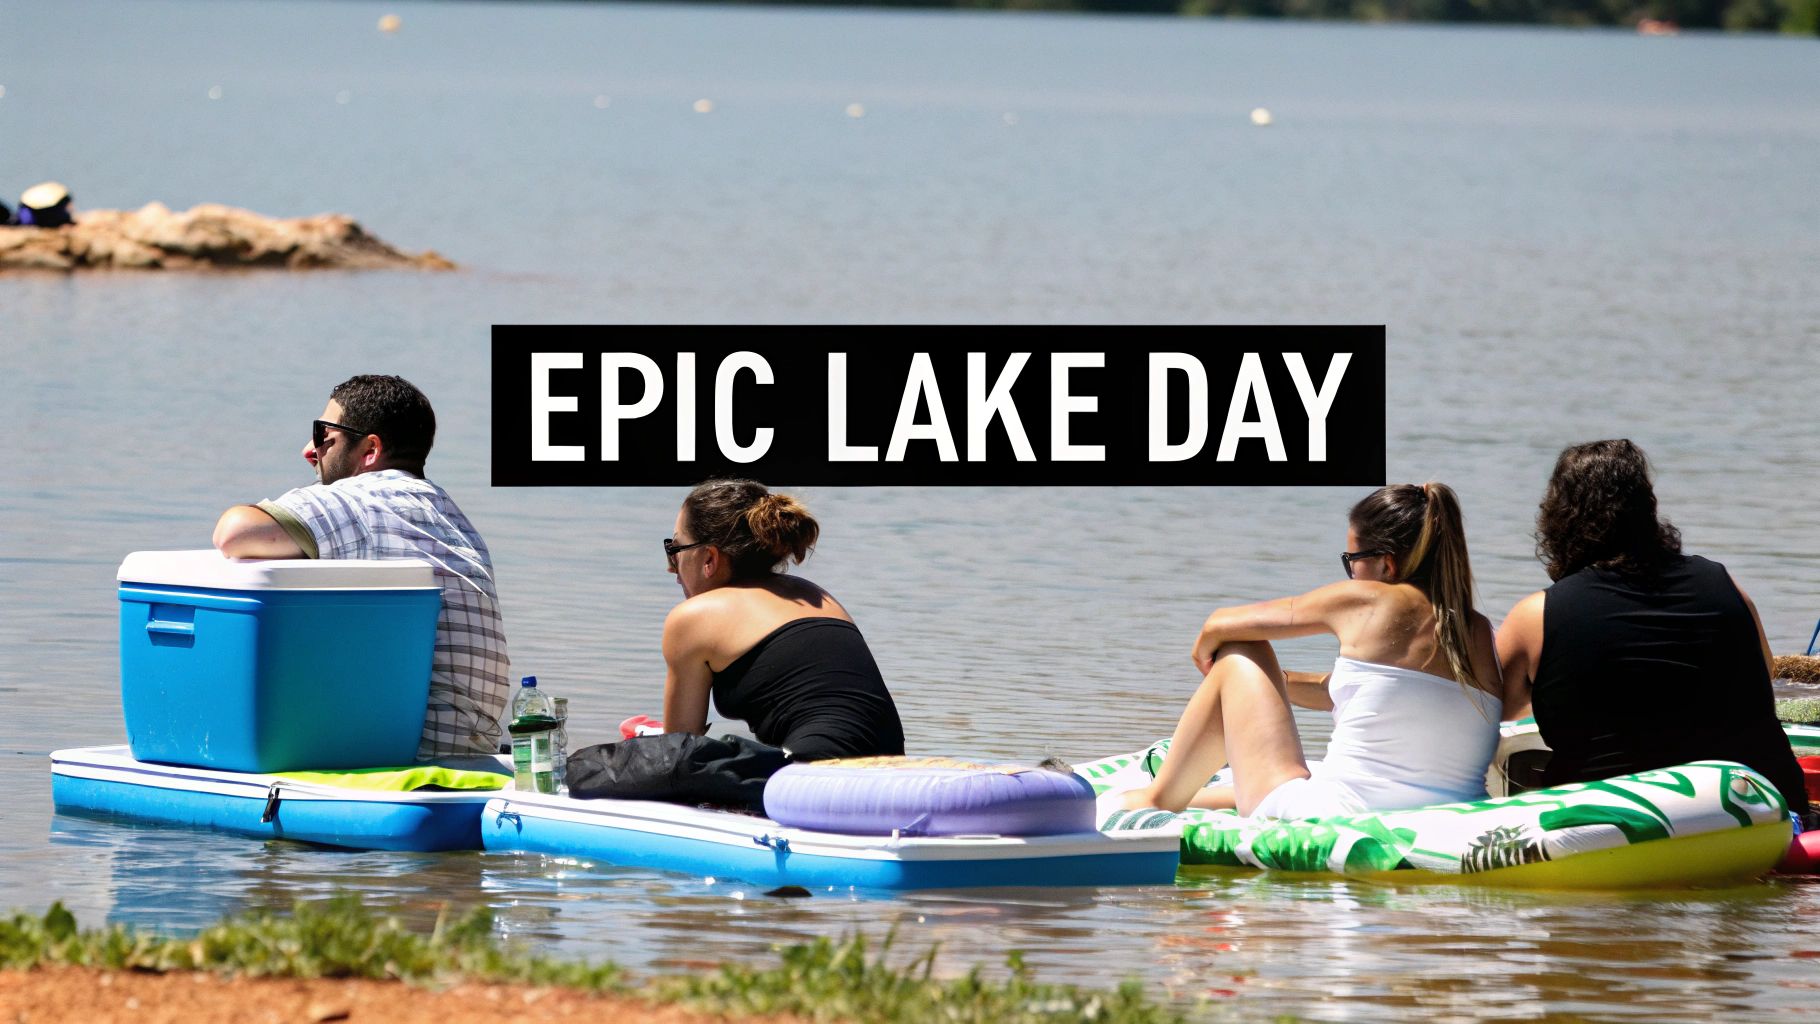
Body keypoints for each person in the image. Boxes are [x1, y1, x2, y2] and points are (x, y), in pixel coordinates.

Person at [1122, 483, 1501, 817]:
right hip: (1448, 810)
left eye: (1352, 561)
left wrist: (1215, 668)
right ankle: (1180, 795)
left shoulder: (1368, 600)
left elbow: (1220, 625)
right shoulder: (1479, 631)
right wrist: (1270, 688)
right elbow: (1370, 695)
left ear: (1386, 564)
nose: (1350, 573)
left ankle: (1157, 800)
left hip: (1340, 812)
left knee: (1240, 649)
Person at [1496, 439, 1806, 814]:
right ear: (1648, 511)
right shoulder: (1726, 585)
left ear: (1557, 519)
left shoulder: (1535, 616)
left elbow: (1496, 715)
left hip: (1619, 826)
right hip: (1764, 810)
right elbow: (1766, 672)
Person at [211, 375, 510, 759]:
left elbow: (234, 533)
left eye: (323, 435)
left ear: (370, 449)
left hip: (406, 751)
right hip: (467, 747)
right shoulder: (452, 518)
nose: (308, 450)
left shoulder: (363, 500)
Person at [661, 479, 905, 762]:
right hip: (892, 768)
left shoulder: (693, 617)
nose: (670, 567)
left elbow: (675, 754)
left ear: (709, 559)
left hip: (816, 774)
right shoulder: (814, 595)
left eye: (674, 549)